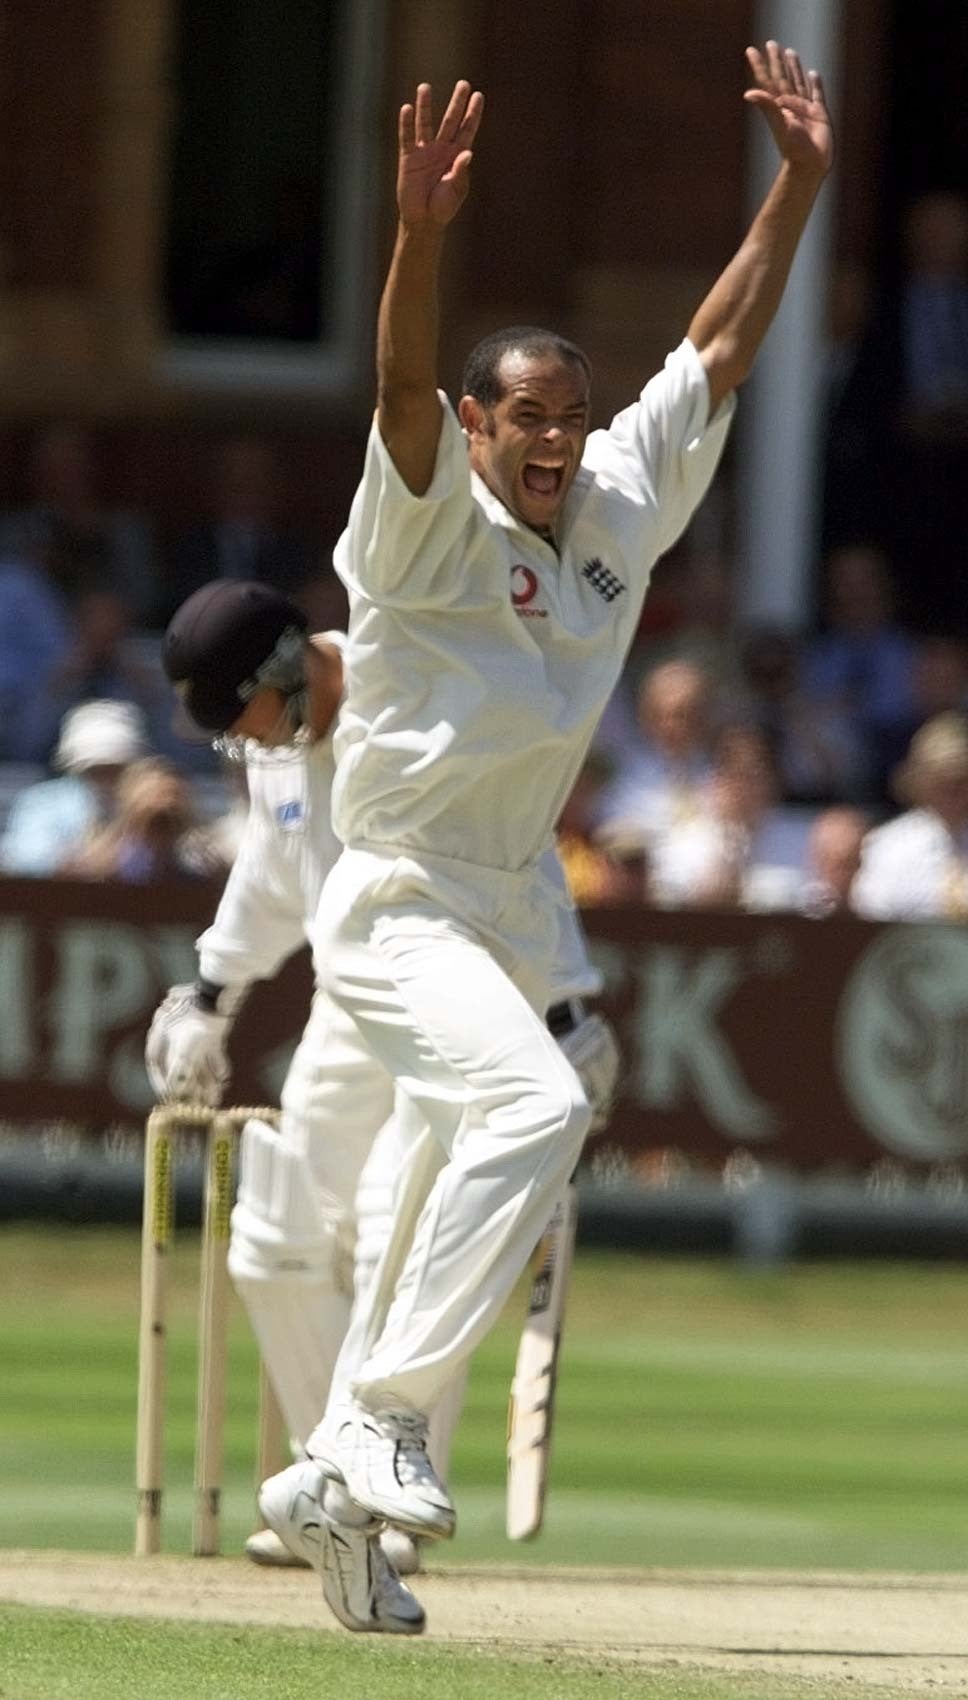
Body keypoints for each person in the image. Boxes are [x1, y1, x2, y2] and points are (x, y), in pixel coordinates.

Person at [259, 44, 832, 1633]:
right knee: (528, 1106)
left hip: (503, 897)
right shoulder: (422, 519)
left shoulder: (615, 510)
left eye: (571, 419)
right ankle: (377, 1414)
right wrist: (417, 236)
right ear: (475, 420)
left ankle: (327, 1485)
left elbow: (714, 350)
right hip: (389, 895)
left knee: (490, 1145)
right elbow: (392, 387)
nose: (558, 442)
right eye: (528, 417)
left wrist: (798, 187)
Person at [150, 579, 618, 1628]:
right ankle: (338, 1484)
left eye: (246, 715)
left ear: (284, 666)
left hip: (455, 987)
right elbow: (276, 877)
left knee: (387, 1232)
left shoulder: (416, 688)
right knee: (268, 1235)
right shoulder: (279, 748)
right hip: (348, 996)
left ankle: (377, 1498)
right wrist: (211, 990)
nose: (247, 741)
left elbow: (516, 850)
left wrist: (564, 1001)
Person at [0, 699, 147, 876]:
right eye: (96, 769)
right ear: (76, 768)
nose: (106, 777)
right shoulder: (43, 802)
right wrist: (88, 861)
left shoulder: (153, 803)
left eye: (115, 768)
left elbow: (179, 860)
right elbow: (26, 858)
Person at [851, 713, 968, 919]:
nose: (953, 791)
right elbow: (870, 922)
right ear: (920, 782)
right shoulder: (888, 846)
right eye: (941, 780)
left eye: (961, 779)